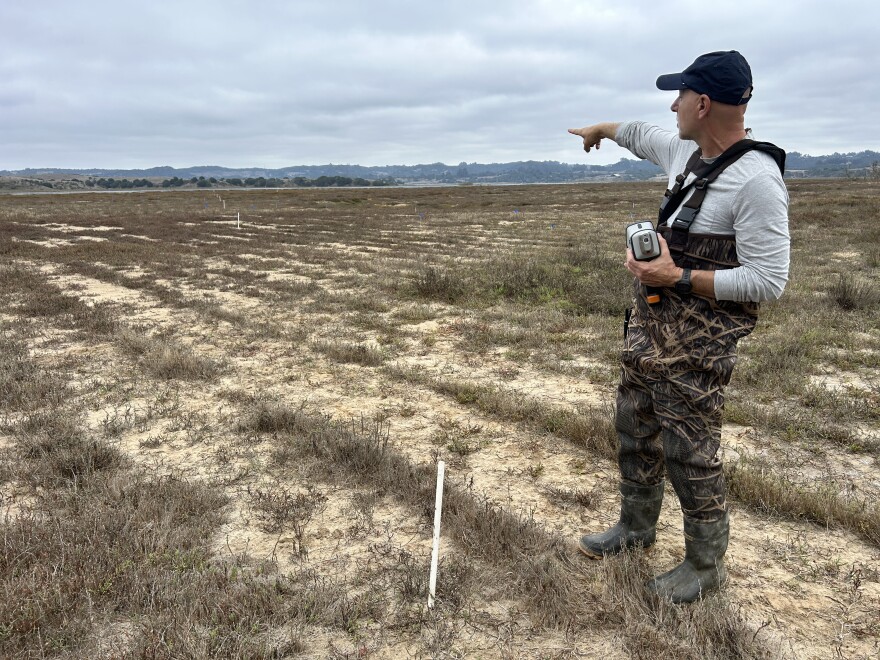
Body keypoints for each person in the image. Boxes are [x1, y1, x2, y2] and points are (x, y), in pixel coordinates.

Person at [567, 50, 789, 604]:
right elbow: (640, 132)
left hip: (698, 348)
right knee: (634, 428)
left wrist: (678, 274)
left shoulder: (756, 181)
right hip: (648, 335)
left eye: (680, 95)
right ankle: (635, 530)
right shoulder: (685, 153)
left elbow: (768, 279)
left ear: (703, 102)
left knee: (692, 452)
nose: (673, 105)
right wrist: (602, 129)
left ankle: (705, 564)